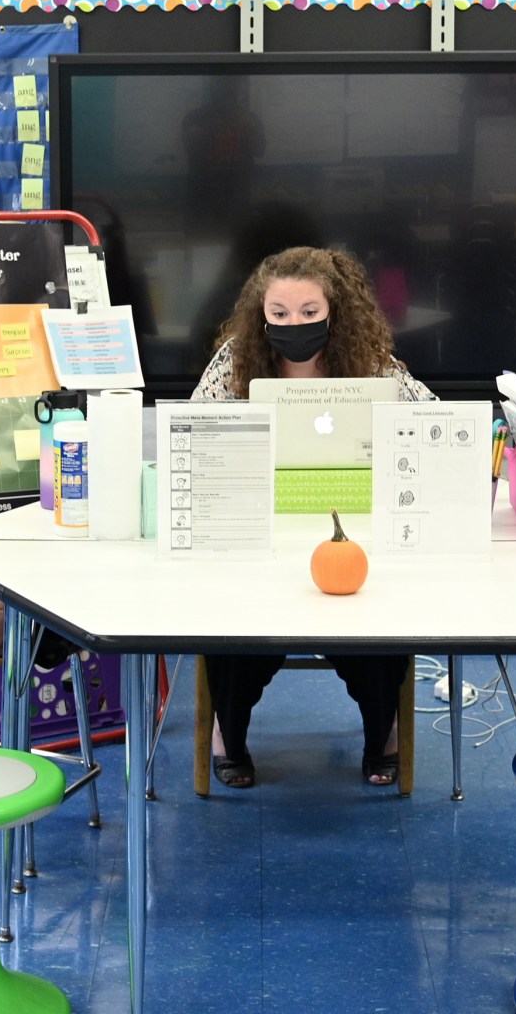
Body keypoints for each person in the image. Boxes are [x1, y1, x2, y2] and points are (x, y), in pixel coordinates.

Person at [189, 246, 432, 789]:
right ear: (261, 314)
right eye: (278, 313)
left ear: (334, 311)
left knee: (376, 626)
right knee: (232, 626)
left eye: (307, 312)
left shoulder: (370, 362)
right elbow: (196, 431)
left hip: (350, 534)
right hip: (255, 533)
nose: (292, 324)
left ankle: (383, 734)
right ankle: (229, 733)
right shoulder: (234, 361)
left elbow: (430, 418)